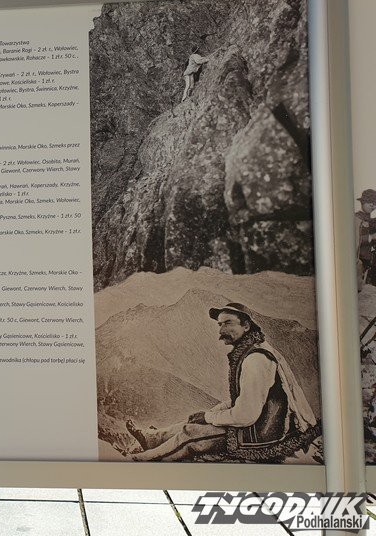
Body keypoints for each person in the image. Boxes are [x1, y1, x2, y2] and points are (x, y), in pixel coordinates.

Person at [126, 302, 320, 462]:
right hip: (257, 424)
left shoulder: (256, 359)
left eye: (228, 323)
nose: (221, 330)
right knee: (194, 420)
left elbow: (246, 415)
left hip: (260, 434)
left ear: (246, 326)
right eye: (220, 324)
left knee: (190, 433)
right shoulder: (250, 351)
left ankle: (144, 459)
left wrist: (209, 417)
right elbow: (242, 400)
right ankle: (153, 439)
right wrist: (211, 413)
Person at [355, 189, 376, 290]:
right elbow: (350, 240)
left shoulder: (373, 221)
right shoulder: (355, 218)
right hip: (357, 262)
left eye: (375, 203)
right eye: (369, 201)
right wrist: (371, 237)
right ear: (362, 202)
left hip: (368, 264)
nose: (372, 205)